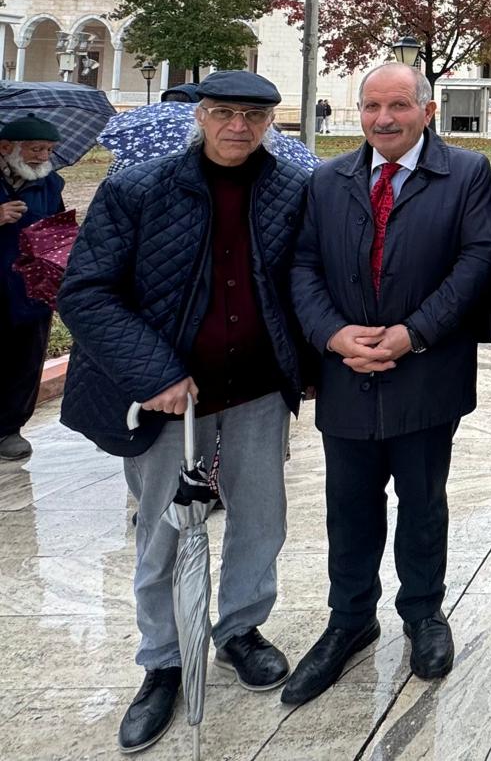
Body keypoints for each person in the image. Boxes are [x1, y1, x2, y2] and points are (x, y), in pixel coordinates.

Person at [56, 71, 311, 754]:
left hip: (255, 388)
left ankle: (239, 629)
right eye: (224, 112)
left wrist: (309, 362)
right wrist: (156, 371)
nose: (238, 127)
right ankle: (163, 659)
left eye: (253, 117)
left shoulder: (290, 188)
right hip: (173, 397)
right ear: (200, 114)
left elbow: (302, 280)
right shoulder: (137, 189)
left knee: (260, 516)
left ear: (269, 124)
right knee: (165, 532)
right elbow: (85, 293)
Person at [283, 63, 491, 704]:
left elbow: (477, 258)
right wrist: (332, 335)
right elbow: (303, 263)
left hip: (424, 371)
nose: (384, 118)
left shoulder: (465, 174)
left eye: (399, 105)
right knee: (349, 506)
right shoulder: (328, 180)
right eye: (373, 105)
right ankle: (349, 620)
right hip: (348, 373)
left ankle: (423, 614)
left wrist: (413, 333)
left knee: (423, 502)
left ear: (426, 111)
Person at [0, 115, 66, 461]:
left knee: (25, 360)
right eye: (35, 148)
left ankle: (10, 429)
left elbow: (57, 232)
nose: (42, 156)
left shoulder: (51, 183)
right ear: (7, 148)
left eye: (48, 150)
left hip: (30, 287)